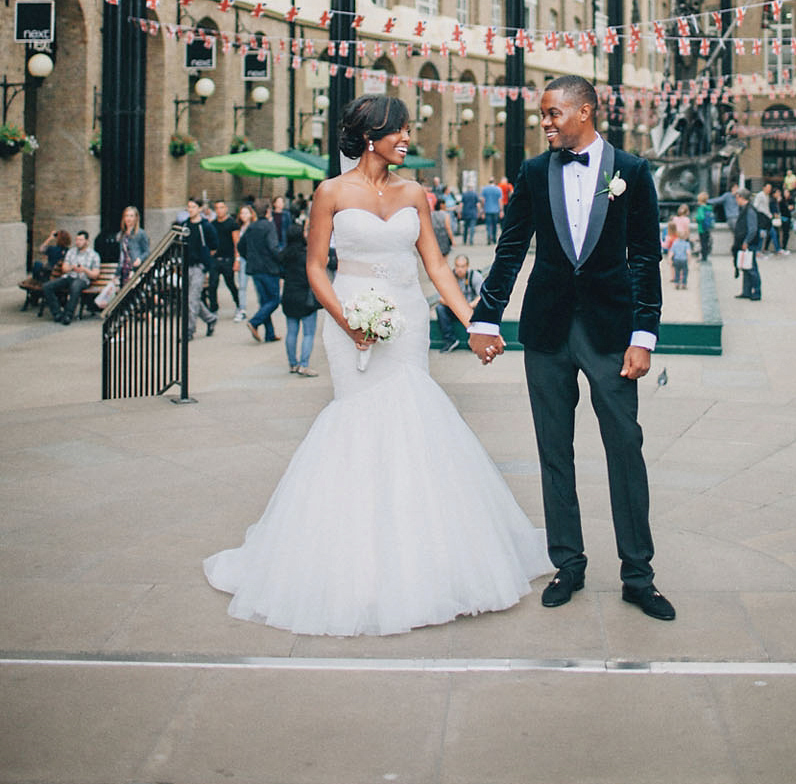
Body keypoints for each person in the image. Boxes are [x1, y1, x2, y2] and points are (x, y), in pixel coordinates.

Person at [205, 94, 549, 636]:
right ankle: (354, 559)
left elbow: (435, 265)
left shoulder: (416, 193)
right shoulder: (330, 193)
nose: (408, 138)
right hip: (351, 318)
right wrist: (348, 323)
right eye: (400, 130)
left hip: (407, 321)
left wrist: (475, 322)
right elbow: (317, 268)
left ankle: (424, 554)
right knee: (360, 420)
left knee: (415, 419)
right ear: (371, 136)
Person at [471, 74, 674, 622]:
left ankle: (639, 575)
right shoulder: (535, 172)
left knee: (624, 450)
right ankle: (568, 563)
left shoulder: (631, 172)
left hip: (612, 336)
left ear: (584, 111)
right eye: (543, 114)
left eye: (553, 114)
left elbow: (644, 257)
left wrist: (644, 336)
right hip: (547, 332)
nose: (545, 123)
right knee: (554, 451)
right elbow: (511, 248)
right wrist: (486, 317)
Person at [237, 200, 282, 342]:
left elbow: (240, 245)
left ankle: (270, 333)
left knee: (264, 301)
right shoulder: (269, 226)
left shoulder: (251, 227)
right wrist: (281, 260)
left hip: (255, 269)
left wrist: (249, 257)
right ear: (268, 211)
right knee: (274, 300)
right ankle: (255, 322)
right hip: (269, 268)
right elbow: (273, 247)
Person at [280, 221, 319, 376]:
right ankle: (304, 364)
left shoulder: (283, 255)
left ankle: (292, 363)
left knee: (291, 332)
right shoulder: (307, 255)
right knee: (308, 333)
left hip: (289, 295)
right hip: (305, 297)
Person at [42, 230, 100, 323]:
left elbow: (95, 274)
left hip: (82, 279)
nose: (78, 242)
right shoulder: (71, 252)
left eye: (81, 240)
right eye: (77, 240)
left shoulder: (94, 255)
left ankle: (68, 315)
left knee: (75, 286)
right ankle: (57, 313)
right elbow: (64, 268)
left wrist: (84, 269)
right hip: (69, 277)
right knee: (47, 286)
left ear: (87, 241)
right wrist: (72, 268)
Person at [184, 198, 218, 340]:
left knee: (193, 299)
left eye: (193, 207)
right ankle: (210, 318)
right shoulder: (185, 225)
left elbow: (214, 245)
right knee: (191, 299)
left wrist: (205, 261)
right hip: (187, 265)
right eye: (189, 207)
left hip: (199, 266)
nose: (190, 209)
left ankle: (189, 330)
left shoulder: (205, 226)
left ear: (199, 209)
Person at [435, 253, 484, 351]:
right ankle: (450, 340)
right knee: (440, 308)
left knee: (482, 308)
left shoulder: (475, 276)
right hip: (455, 308)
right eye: (457, 266)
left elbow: (482, 296)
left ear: (467, 266)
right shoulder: (449, 276)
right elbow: (440, 298)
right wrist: (457, 306)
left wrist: (469, 305)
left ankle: (475, 340)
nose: (459, 269)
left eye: (462, 266)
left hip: (471, 309)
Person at [205, 200, 240, 315]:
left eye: (221, 207)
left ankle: (239, 304)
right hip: (215, 259)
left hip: (228, 259)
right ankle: (214, 308)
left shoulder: (232, 223)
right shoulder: (213, 224)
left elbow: (236, 242)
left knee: (230, 283)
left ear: (226, 209)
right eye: (217, 208)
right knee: (212, 284)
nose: (219, 210)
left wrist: (237, 260)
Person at [732, 189, 761, 301]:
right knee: (746, 266)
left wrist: (746, 241)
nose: (736, 200)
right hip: (745, 242)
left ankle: (756, 291)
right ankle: (746, 291)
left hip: (749, 243)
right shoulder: (745, 209)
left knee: (752, 268)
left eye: (737, 197)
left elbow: (753, 228)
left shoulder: (749, 210)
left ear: (741, 197)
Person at [232, 203, 254, 322]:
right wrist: (237, 259)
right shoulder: (238, 228)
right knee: (242, 285)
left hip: (253, 258)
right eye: (242, 213)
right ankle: (242, 309)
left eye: (246, 213)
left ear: (251, 214)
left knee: (257, 284)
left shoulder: (254, 226)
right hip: (243, 258)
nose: (244, 215)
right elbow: (237, 244)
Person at [116, 206, 149, 286]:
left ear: (136, 218)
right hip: (124, 269)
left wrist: (140, 259)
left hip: (135, 268)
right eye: (126, 216)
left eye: (131, 216)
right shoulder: (121, 234)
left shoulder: (141, 233)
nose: (128, 218)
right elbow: (122, 255)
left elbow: (147, 251)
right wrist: (116, 273)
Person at [481, 178, 503, 243]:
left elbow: (483, 200)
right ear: (494, 182)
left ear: (489, 182)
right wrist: (501, 210)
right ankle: (494, 238)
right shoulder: (498, 189)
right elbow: (500, 201)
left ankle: (488, 237)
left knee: (488, 225)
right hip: (496, 210)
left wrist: (483, 210)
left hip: (487, 210)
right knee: (495, 225)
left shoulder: (485, 189)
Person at [694, 191, 713, 260]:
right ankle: (706, 255)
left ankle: (703, 257)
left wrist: (696, 218)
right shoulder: (708, 208)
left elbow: (701, 217)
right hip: (707, 228)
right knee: (706, 242)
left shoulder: (701, 208)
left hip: (702, 228)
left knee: (703, 243)